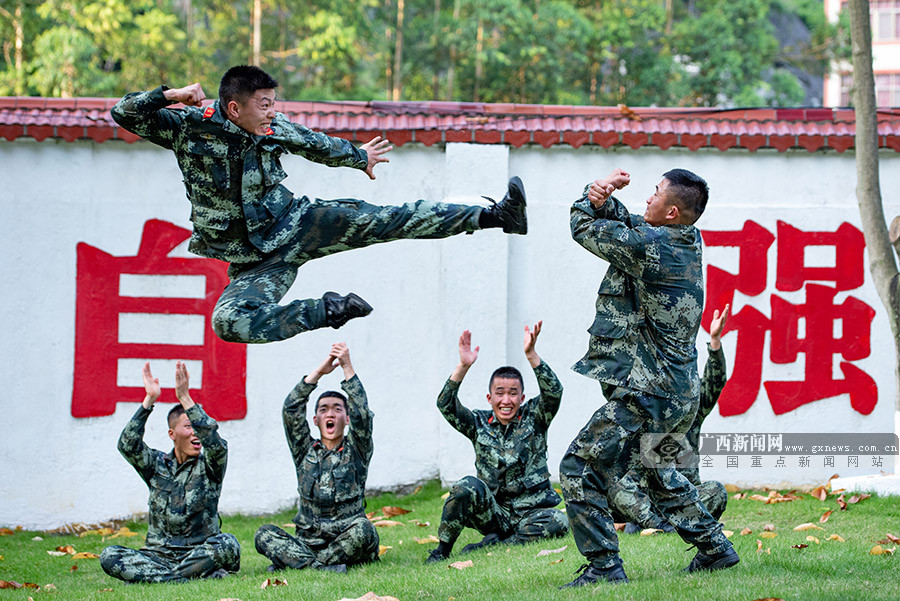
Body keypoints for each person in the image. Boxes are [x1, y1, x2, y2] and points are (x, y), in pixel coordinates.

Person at [110, 65, 527, 344]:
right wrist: (171, 94)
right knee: (227, 323)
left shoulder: (273, 128)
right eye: (264, 103)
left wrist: (358, 157)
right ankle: (328, 310)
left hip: (300, 224)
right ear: (234, 108)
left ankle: (495, 215)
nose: (273, 111)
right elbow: (123, 113)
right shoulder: (188, 129)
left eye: (274, 102)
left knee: (389, 220)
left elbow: (315, 144)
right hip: (257, 263)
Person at [559, 168, 738, 587]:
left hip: (648, 393)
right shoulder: (685, 237)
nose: (646, 200)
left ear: (672, 211)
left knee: (577, 467)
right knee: (660, 472)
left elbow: (583, 227)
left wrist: (590, 200)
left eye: (654, 194)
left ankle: (604, 567)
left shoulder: (653, 245)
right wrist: (602, 197)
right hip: (678, 395)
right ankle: (716, 549)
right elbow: (632, 224)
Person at [426, 322, 569, 563]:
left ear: (522, 397)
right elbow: (445, 404)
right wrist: (462, 366)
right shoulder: (477, 423)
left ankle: (499, 542)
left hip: (531, 512)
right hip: (493, 512)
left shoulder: (536, 417)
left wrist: (531, 355)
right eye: (499, 393)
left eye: (513, 393)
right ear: (489, 398)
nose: (506, 400)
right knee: (465, 486)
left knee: (559, 521)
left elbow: (554, 392)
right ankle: (442, 551)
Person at [100, 362, 240, 583]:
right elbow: (127, 445)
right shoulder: (156, 465)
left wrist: (185, 397)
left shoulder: (210, 465)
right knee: (109, 555)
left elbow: (215, 443)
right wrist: (149, 401)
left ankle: (156, 578)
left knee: (228, 544)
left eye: (197, 427)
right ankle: (188, 577)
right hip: (158, 556)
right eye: (188, 427)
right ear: (172, 433)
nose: (196, 433)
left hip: (199, 553)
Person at [255, 343, 376, 573]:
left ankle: (300, 564)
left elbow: (362, 413)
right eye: (323, 410)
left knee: (364, 530)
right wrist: (319, 372)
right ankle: (321, 566)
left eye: (338, 409)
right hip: (308, 542)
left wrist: (347, 367)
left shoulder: (357, 450)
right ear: (315, 420)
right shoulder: (304, 450)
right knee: (264, 534)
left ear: (347, 419)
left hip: (346, 539)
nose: (330, 413)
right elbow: (291, 409)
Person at [616, 305, 731, 534]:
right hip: (646, 500)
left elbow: (714, 384)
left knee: (716, 491)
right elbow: (612, 386)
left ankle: (664, 526)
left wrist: (715, 341)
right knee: (619, 488)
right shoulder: (641, 405)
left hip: (682, 499)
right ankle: (657, 524)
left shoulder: (690, 408)